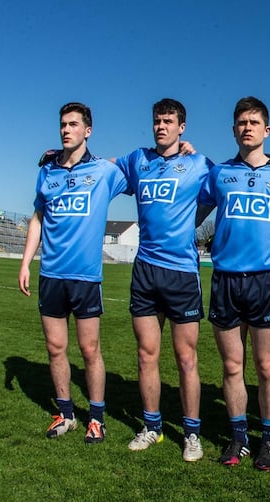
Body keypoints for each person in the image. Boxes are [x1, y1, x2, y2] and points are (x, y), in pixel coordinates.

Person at [18, 102, 128, 443]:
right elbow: (37, 218)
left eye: (73, 124)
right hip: (51, 275)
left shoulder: (104, 172)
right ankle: (65, 413)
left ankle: (96, 418)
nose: (66, 129)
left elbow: (146, 168)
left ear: (87, 130)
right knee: (54, 348)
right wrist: (25, 262)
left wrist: (184, 150)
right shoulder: (47, 172)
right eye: (63, 124)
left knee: (90, 349)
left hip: (85, 278)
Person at [116, 98, 214, 462]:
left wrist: (196, 153)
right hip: (145, 271)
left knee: (186, 358)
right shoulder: (138, 160)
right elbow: (106, 166)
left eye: (169, 121)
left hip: (183, 274)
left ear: (181, 127)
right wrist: (66, 155)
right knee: (146, 355)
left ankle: (192, 434)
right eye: (157, 120)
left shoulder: (198, 164)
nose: (161, 126)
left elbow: (228, 181)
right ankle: (152, 427)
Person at [195, 97, 270, 470]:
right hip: (226, 281)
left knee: (267, 367)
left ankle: (268, 439)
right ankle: (238, 437)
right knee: (232, 366)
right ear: (234, 129)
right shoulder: (218, 174)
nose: (247, 127)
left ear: (267, 131)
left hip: (266, 281)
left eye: (254, 122)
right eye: (241, 122)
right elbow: (193, 210)